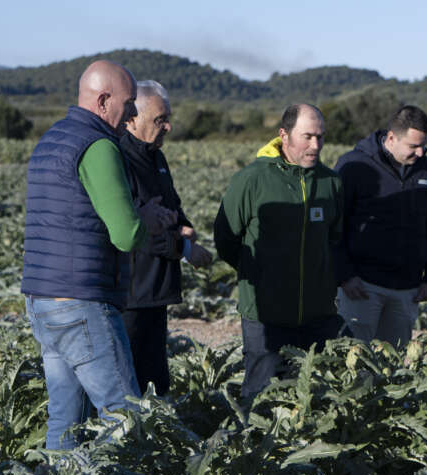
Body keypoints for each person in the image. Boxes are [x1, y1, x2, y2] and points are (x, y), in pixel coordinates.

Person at [21, 60, 175, 450]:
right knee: (124, 416)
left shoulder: (52, 138)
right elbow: (126, 234)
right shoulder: (99, 146)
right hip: (82, 301)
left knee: (66, 420)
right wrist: (149, 221)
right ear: (104, 100)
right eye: (127, 104)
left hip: (42, 298)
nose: (130, 116)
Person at [214, 104, 344, 401]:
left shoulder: (330, 182)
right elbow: (226, 238)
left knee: (313, 400)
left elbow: (336, 240)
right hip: (265, 316)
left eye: (321, 137)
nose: (316, 145)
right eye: (307, 136)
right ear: (283, 135)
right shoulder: (252, 179)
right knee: (259, 399)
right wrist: (257, 273)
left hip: (317, 316)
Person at [120, 80, 213, 396]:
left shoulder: (156, 158)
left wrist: (184, 226)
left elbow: (172, 205)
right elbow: (133, 229)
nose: (169, 127)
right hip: (130, 292)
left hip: (156, 290)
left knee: (156, 381)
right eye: (161, 119)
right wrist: (184, 247)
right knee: (127, 382)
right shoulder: (119, 158)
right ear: (132, 118)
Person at [334, 105, 427, 347]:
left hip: (407, 289)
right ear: (391, 138)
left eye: (424, 146)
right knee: (354, 364)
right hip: (362, 287)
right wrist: (344, 275)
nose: (420, 153)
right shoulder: (353, 166)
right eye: (413, 146)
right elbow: (333, 225)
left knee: (394, 369)